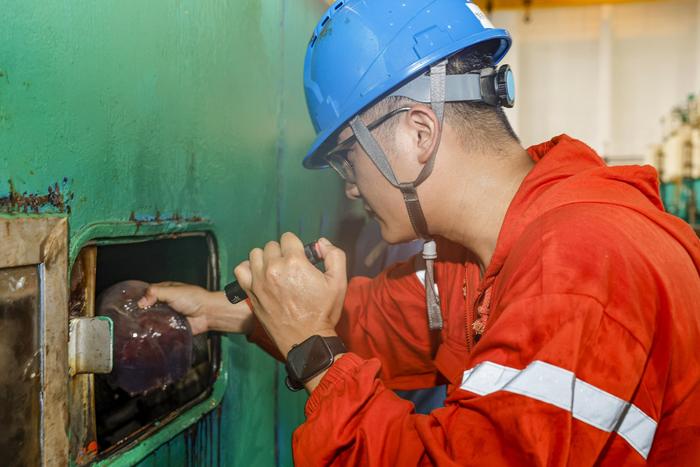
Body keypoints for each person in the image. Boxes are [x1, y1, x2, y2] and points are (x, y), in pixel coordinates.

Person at [139, 0, 700, 464]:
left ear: (419, 133)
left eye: (345, 158)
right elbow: (379, 320)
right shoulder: (482, 258)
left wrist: (313, 350)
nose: (350, 188)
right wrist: (220, 310)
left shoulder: (578, 267)